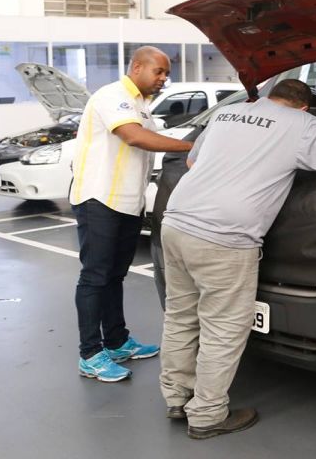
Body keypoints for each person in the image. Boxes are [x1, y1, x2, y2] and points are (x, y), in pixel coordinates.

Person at [159, 79, 316, 440]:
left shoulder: (228, 112)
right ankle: (206, 415)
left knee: (181, 316)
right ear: (303, 107)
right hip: (225, 238)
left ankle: (176, 397)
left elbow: (191, 160)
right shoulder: (302, 124)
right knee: (224, 328)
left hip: (175, 222)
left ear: (269, 97)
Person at [71, 46, 193, 383]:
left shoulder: (141, 106)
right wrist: (192, 147)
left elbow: (147, 134)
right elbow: (134, 137)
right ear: (137, 67)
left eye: (167, 74)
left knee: (114, 276)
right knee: (95, 277)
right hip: (99, 200)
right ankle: (90, 354)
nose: (164, 79)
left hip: (127, 203)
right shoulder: (113, 96)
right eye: (159, 72)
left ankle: (117, 341)